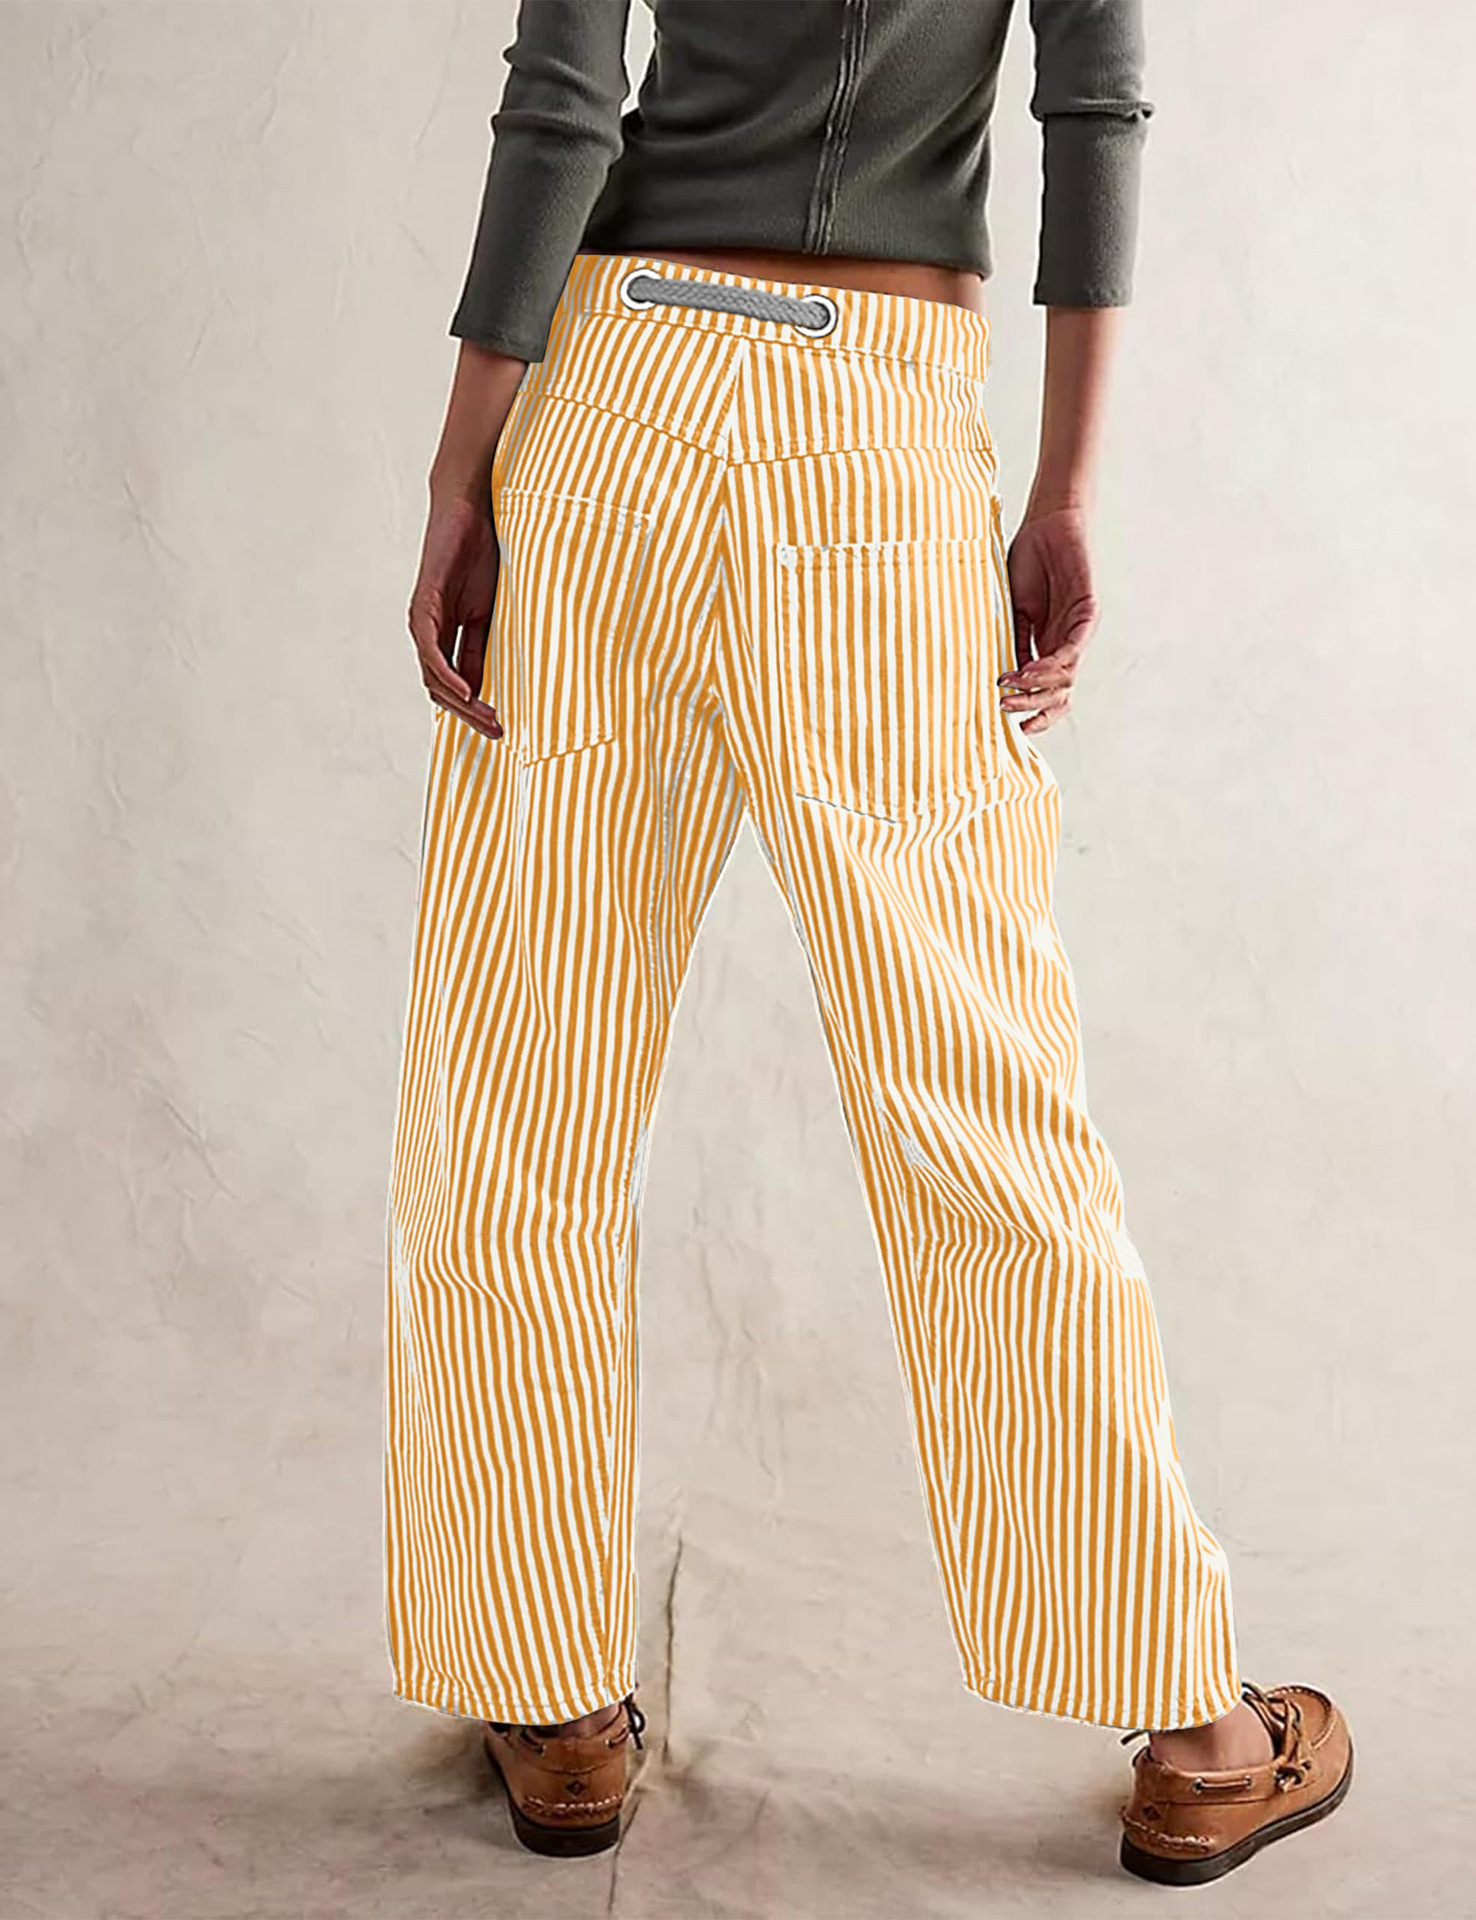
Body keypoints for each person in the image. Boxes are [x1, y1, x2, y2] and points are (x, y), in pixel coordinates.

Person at [389, 0, 1351, 1887]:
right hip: (875, 428)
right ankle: (1193, 1727)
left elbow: (564, 100)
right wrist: (1065, 491)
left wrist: (461, 469)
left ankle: (546, 1692)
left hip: (612, 402)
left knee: (520, 1083)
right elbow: (1095, 108)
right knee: (975, 1096)